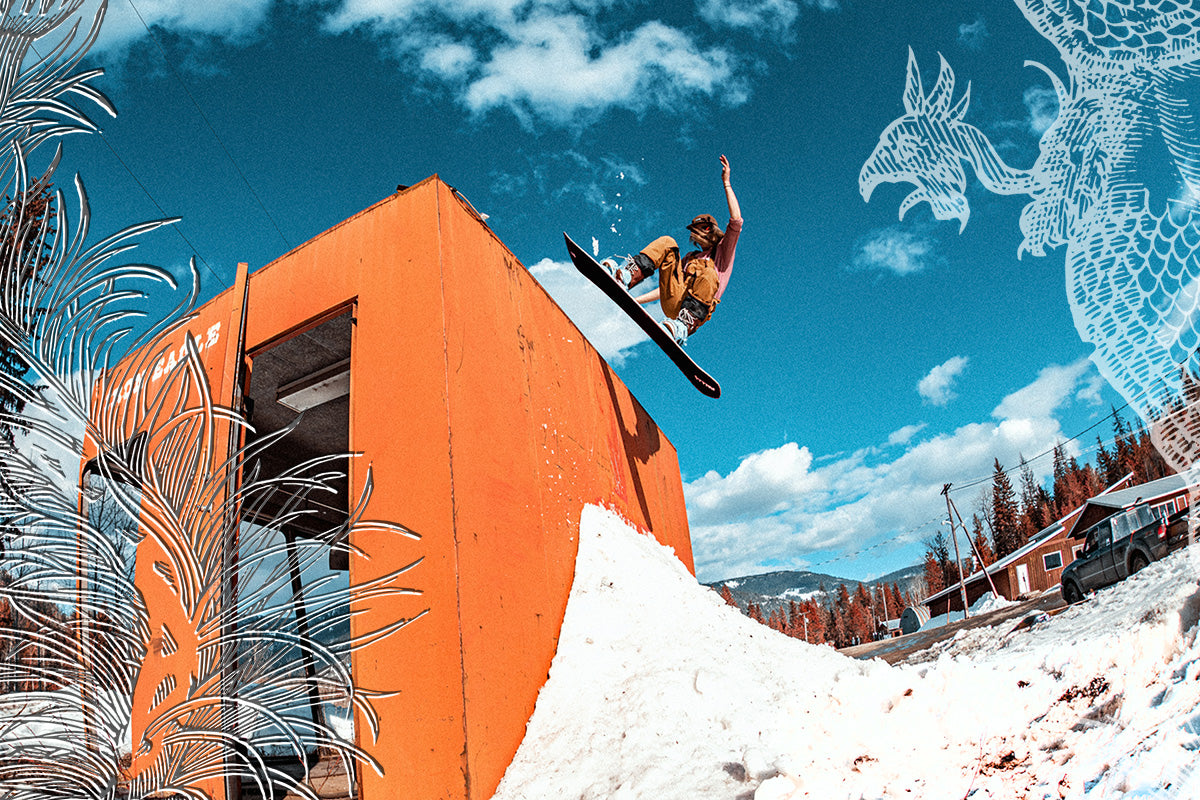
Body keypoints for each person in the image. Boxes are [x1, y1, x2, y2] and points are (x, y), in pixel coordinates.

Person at [602, 154, 743, 345]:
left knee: (709, 273)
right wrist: (634, 301)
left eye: (699, 230)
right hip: (674, 302)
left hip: (694, 314)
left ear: (709, 230)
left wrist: (726, 182)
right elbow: (665, 288)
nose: (695, 235)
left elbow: (736, 221)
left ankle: (682, 327)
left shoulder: (722, 254)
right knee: (668, 243)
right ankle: (625, 276)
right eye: (694, 232)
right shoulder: (689, 258)